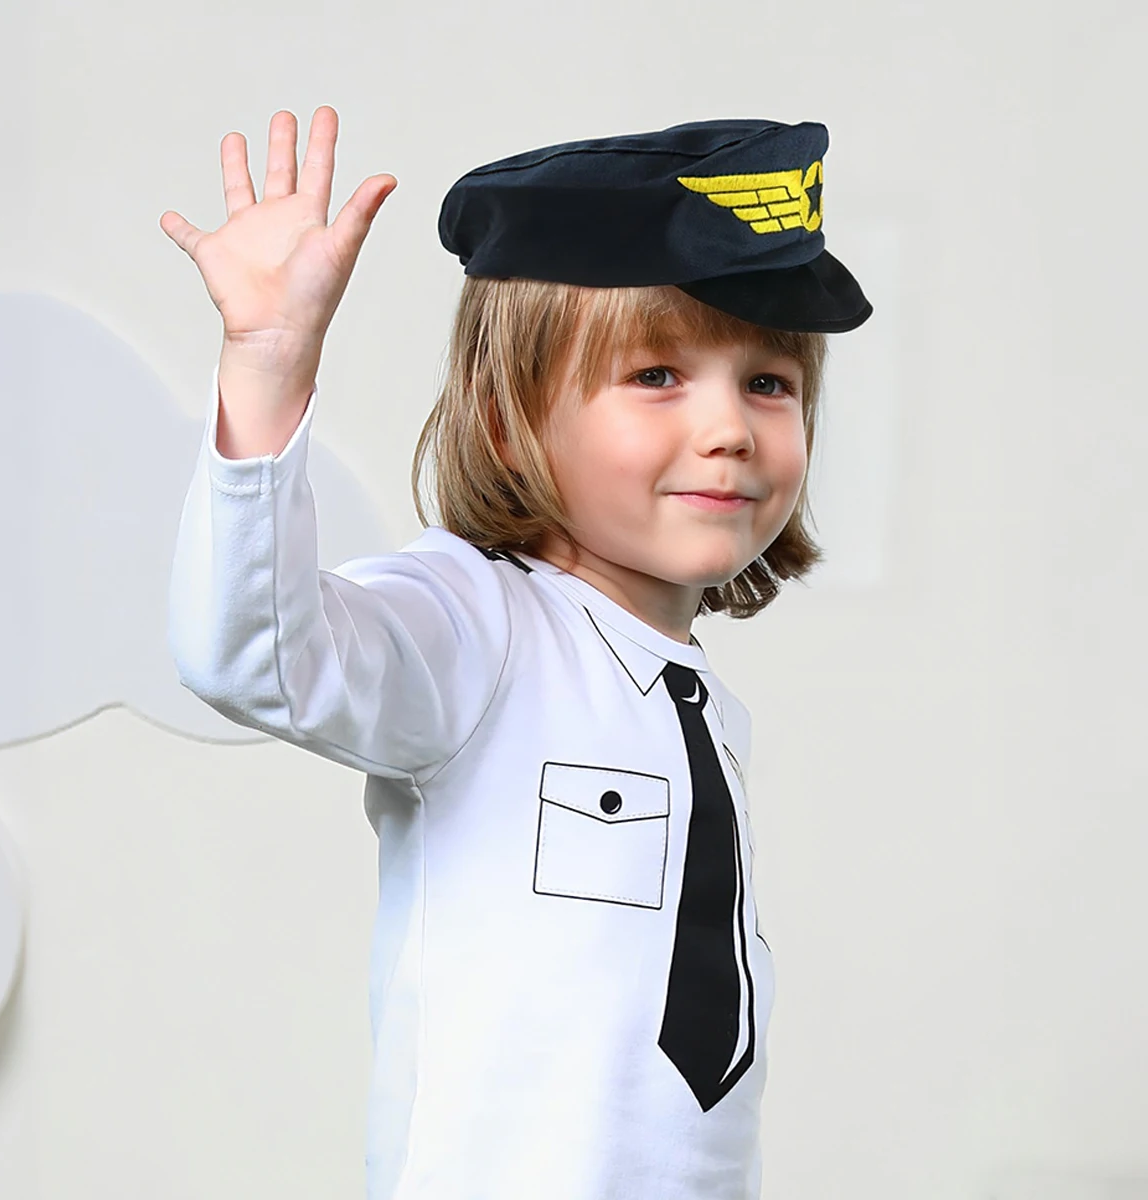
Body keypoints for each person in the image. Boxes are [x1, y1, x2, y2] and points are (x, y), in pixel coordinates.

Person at [161, 105, 872, 1200]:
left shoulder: (703, 711)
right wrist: (266, 369)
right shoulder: (475, 627)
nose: (730, 428)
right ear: (509, 422)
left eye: (769, 383)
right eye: (657, 376)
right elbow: (257, 655)